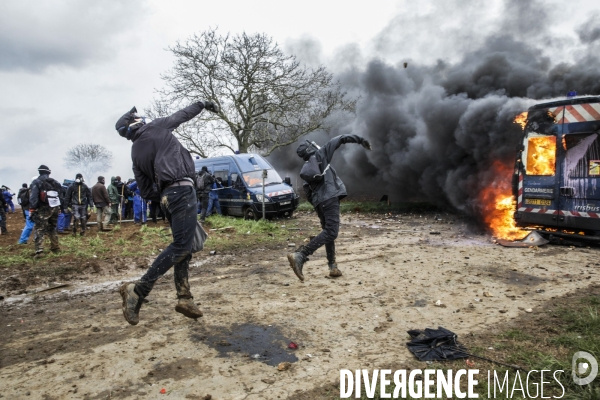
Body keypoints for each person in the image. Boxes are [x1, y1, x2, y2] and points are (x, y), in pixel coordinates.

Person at [115, 100, 219, 325]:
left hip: (166, 199)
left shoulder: (135, 153)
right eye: (137, 115)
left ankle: (184, 297)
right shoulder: (156, 127)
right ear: (136, 122)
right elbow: (181, 115)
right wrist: (202, 104)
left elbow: (144, 190)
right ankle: (139, 290)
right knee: (181, 246)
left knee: (185, 245)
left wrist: (163, 193)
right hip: (182, 190)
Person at [287, 135, 372, 281]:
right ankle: (301, 254)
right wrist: (360, 140)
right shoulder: (321, 155)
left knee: (328, 232)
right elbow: (340, 139)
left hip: (320, 204)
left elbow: (308, 193)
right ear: (311, 147)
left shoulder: (307, 170)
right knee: (331, 232)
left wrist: (318, 206)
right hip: (330, 198)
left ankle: (332, 266)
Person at [29, 165, 64, 258]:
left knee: (39, 228)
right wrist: (60, 208)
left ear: (39, 172)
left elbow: (33, 196)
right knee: (52, 227)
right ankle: (55, 247)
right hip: (55, 207)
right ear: (49, 172)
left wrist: (32, 208)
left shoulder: (36, 182)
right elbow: (61, 195)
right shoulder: (56, 183)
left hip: (43, 208)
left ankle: (39, 251)